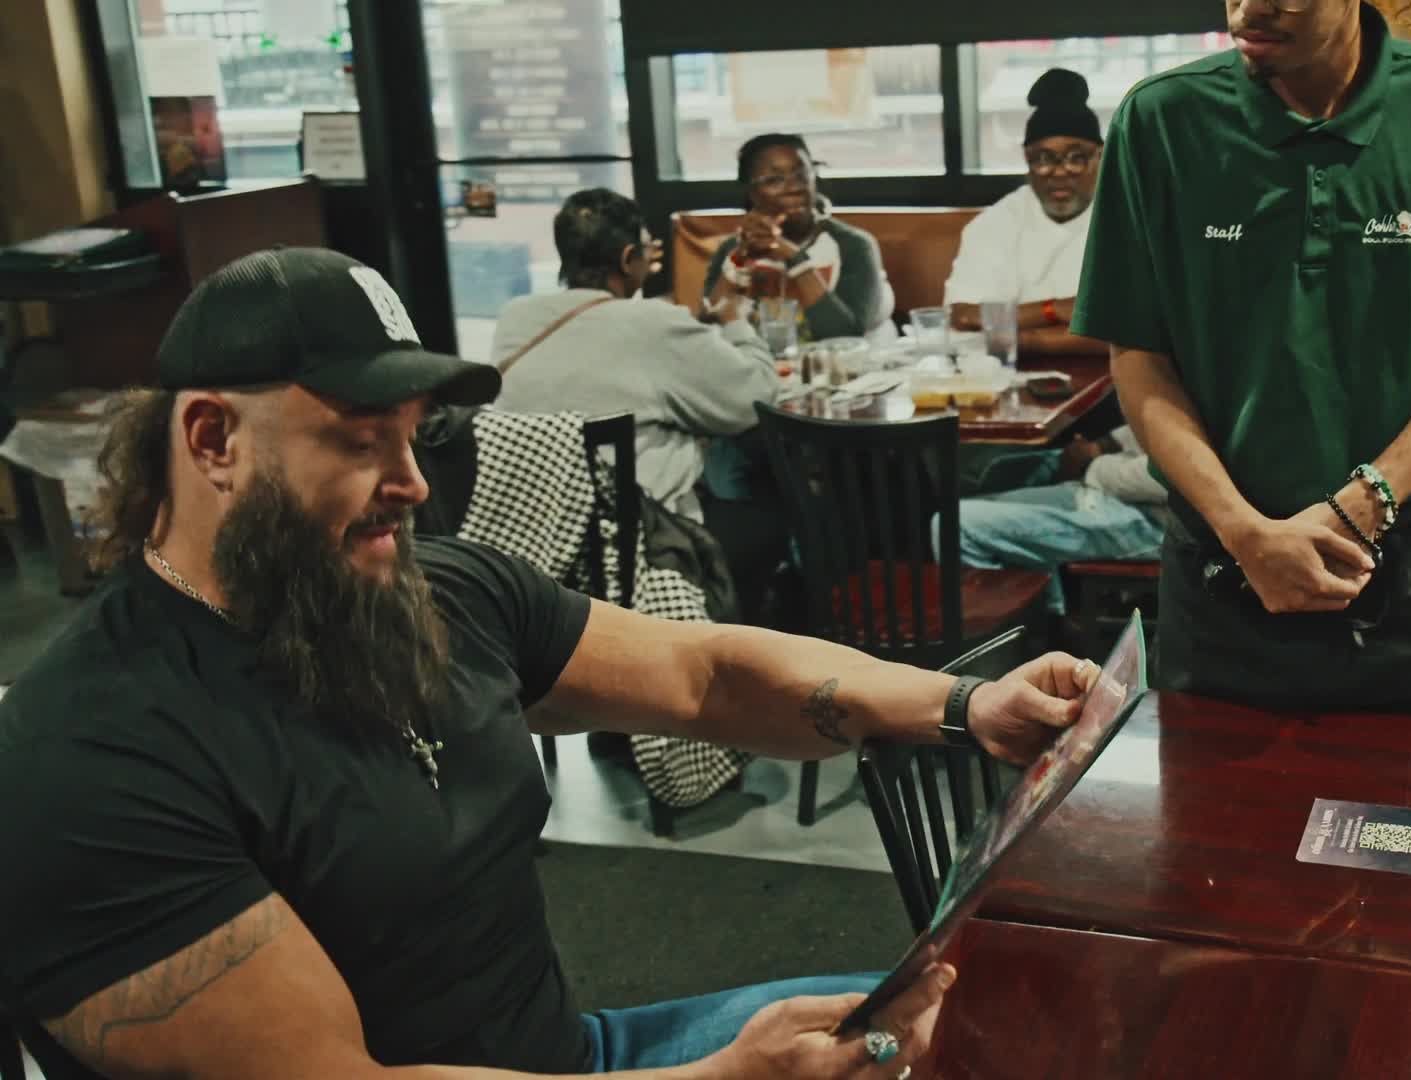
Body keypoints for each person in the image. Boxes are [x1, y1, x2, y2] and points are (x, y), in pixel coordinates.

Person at [0, 247, 1098, 1080]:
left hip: (577, 1058)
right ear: (211, 441)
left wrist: (967, 705)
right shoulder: (89, 757)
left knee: (983, 1028)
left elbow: (702, 675)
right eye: (361, 438)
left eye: (415, 436)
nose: (411, 482)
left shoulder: (435, 591)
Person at [1072, 0, 1411, 720]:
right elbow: (1139, 354)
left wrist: (1363, 505)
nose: (1252, 6)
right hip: (1219, 566)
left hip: (1398, 567)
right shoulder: (1163, 118)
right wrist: (1243, 530)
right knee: (1213, 795)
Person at [490, 188, 787, 621]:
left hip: (540, 542)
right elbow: (751, 398)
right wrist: (734, 320)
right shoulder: (653, 323)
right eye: (648, 248)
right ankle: (732, 642)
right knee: (773, 519)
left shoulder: (516, 317)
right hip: (639, 547)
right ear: (629, 258)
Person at [944, 68, 1106, 356]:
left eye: (1076, 158)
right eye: (1043, 159)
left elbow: (1134, 332)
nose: (1059, 172)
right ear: (1026, 159)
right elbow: (965, 317)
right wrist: (1055, 309)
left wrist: (1020, 334)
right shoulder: (996, 223)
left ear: (1100, 156)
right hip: (1004, 373)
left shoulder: (1131, 217)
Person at [942, 427, 1166, 614]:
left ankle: (1018, 639)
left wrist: (1092, 464)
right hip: (1116, 480)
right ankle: (1048, 624)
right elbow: (1148, 421)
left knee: (954, 524)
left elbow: (1161, 477)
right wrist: (1101, 446)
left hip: (1153, 516)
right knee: (989, 475)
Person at [703, 134, 897, 344]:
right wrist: (742, 255)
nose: (795, 188)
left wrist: (793, 257)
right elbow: (710, 323)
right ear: (752, 192)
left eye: (801, 175)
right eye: (774, 180)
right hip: (758, 362)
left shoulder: (853, 245)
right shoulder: (733, 250)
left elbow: (844, 335)